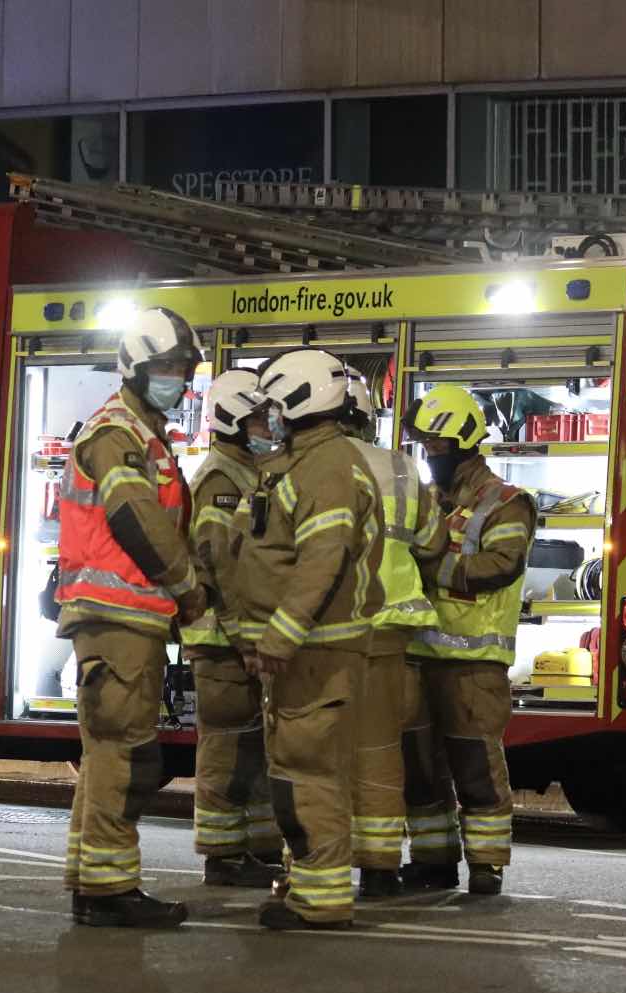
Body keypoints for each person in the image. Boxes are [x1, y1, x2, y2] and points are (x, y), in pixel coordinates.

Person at [56, 306, 207, 928]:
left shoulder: (141, 432)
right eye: (167, 367)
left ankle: (93, 880)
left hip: (126, 618)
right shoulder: (117, 433)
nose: (178, 378)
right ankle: (109, 891)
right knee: (124, 754)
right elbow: (135, 518)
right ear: (136, 368)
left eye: (184, 368)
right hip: (117, 616)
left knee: (106, 756)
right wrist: (188, 586)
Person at [231, 348, 383, 930]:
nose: (266, 417)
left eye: (272, 404)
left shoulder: (327, 468)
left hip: (316, 650)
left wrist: (278, 636)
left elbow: (321, 561)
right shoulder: (302, 464)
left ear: (298, 400)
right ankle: (305, 886)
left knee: (310, 770)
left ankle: (320, 899)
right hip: (302, 652)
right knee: (297, 769)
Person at [401, 385, 534, 896]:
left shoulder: (507, 503)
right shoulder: (426, 499)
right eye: (425, 446)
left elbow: (499, 567)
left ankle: (486, 864)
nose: (429, 456)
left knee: (475, 766)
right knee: (420, 768)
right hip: (418, 657)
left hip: (473, 663)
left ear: (463, 442)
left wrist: (433, 563)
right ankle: (432, 860)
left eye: (436, 446)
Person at [180, 368, 285, 888]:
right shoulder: (221, 480)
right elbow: (216, 560)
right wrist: (243, 634)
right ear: (234, 420)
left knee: (252, 747)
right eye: (262, 416)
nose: (271, 424)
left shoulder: (246, 472)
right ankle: (222, 856)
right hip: (222, 639)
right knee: (227, 747)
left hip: (239, 634)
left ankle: (258, 848)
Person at [339, 371, 441, 898]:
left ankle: (313, 868)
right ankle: (381, 868)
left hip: (329, 631)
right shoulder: (403, 469)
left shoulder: (305, 467)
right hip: (392, 634)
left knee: (319, 751)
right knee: (381, 749)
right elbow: (432, 541)